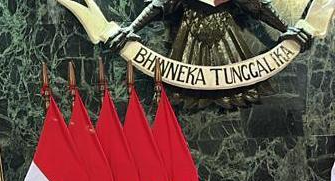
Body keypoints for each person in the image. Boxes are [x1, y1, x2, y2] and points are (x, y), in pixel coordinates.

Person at [107, 0, 313, 108]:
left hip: (224, 33)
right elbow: (162, 4)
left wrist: (286, 29)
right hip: (190, 31)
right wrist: (131, 28)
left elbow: (256, 5)